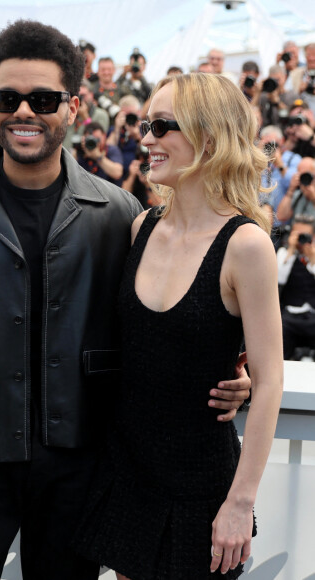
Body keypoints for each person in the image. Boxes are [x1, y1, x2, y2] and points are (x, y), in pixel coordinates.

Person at [0, 21, 251, 580]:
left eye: (44, 98)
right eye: (8, 97)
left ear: (73, 107)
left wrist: (225, 375)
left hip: (83, 465)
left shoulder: (119, 213)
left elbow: (155, 327)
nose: (24, 111)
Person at [74, 72, 283, 579]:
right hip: (128, 471)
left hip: (201, 487)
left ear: (209, 139)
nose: (146, 138)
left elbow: (271, 381)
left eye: (163, 126)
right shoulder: (141, 227)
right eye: (147, 124)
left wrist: (240, 501)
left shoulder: (246, 245)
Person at [277, 215, 315, 359]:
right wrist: (291, 251)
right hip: (290, 314)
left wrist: (312, 260)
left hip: (312, 313)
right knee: (280, 330)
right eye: (297, 234)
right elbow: (279, 279)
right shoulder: (284, 253)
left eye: (305, 235)